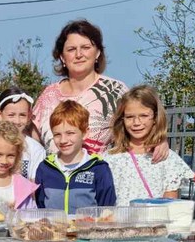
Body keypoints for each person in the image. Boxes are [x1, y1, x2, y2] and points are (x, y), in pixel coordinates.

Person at [32, 19, 169, 162]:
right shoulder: (47, 95)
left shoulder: (115, 91)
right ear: (62, 57)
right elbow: (30, 141)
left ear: (97, 53)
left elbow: (141, 124)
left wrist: (160, 141)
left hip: (101, 179)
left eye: (85, 47)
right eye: (71, 49)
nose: (79, 54)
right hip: (54, 178)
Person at [105, 85, 194, 205]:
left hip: (155, 222)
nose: (136, 123)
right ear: (122, 120)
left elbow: (169, 203)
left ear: (155, 118)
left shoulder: (168, 159)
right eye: (130, 117)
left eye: (144, 116)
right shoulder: (109, 159)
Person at [34, 100, 115, 212]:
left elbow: (107, 210)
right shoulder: (45, 168)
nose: (63, 140)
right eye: (57, 134)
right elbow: (41, 206)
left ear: (85, 133)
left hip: (88, 229)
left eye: (70, 133)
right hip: (55, 229)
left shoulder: (99, 168)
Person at [0, 87, 46, 179]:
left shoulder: (36, 150)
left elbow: (34, 183)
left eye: (22, 115)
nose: (17, 121)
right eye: (11, 115)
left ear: (29, 116)